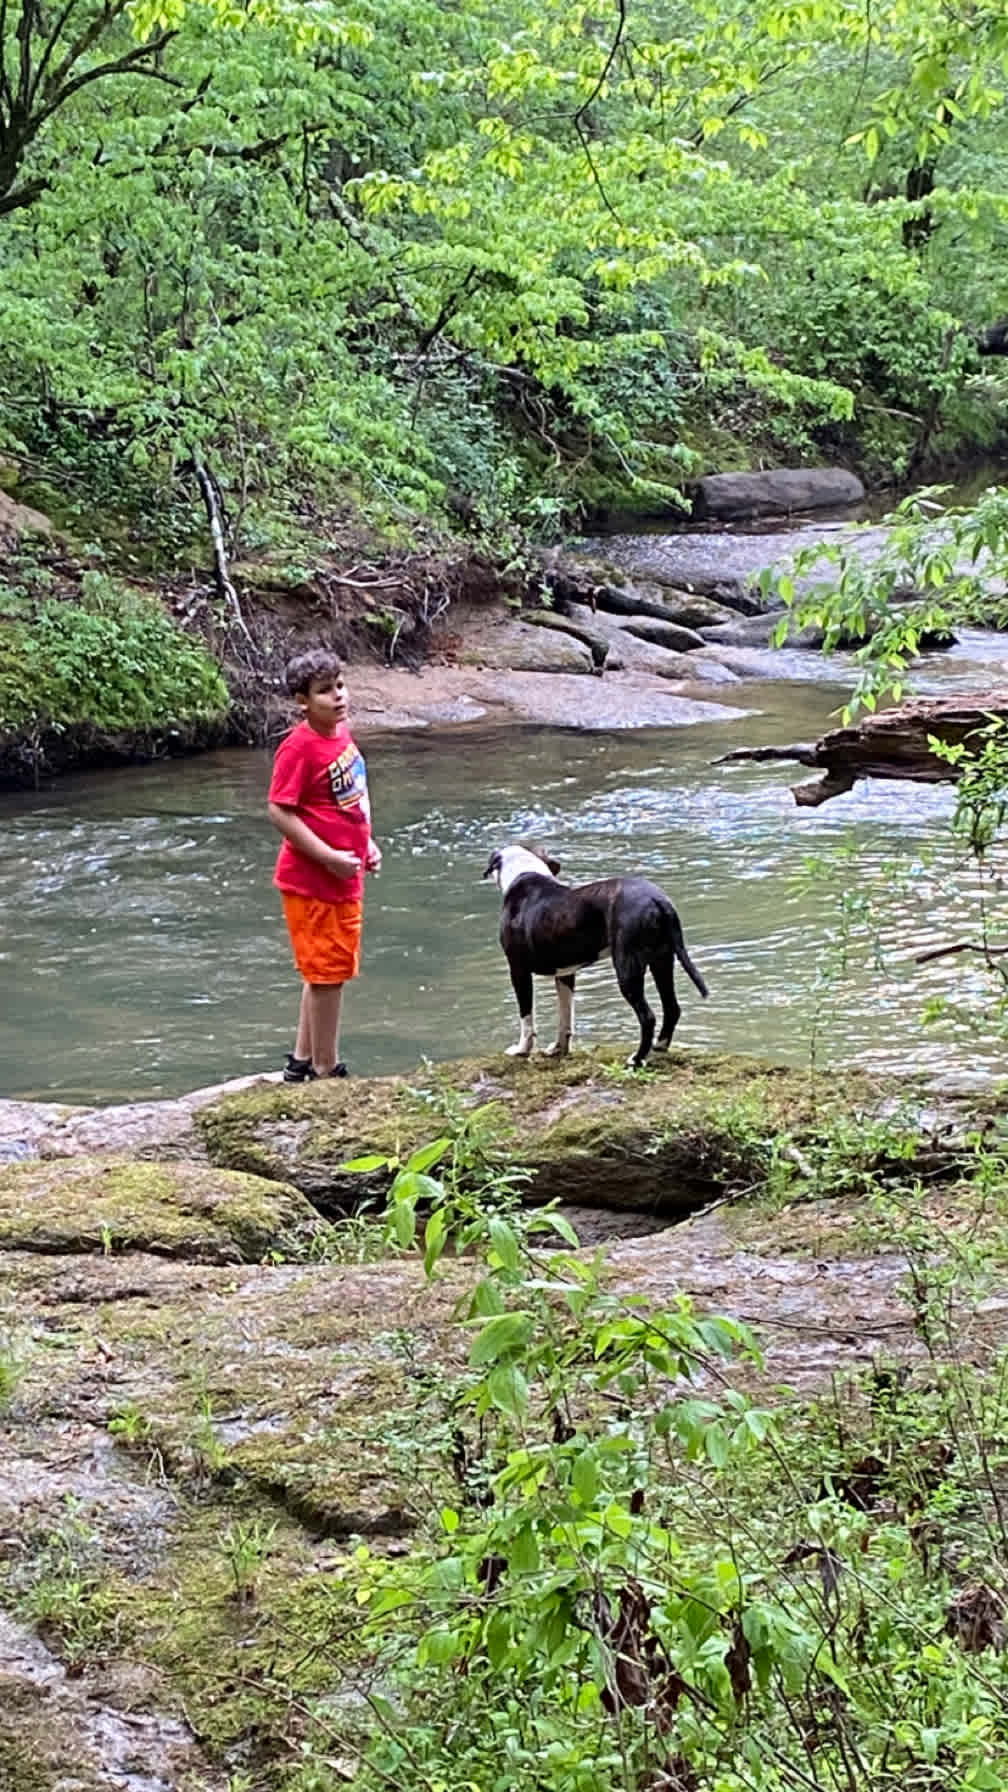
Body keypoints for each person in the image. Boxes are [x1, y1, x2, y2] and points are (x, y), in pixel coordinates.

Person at [268, 649, 381, 1080]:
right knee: (328, 974)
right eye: (323, 691)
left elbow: (350, 800)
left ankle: (301, 1061)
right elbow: (280, 811)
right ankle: (325, 1066)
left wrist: (366, 843)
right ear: (302, 700)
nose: (337, 697)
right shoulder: (299, 747)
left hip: (342, 874)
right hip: (314, 879)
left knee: (323, 971)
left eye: (339, 686)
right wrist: (328, 856)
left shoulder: (341, 734)